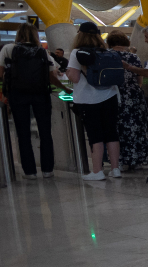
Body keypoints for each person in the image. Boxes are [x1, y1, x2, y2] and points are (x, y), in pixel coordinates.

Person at [0, 23, 68, 178]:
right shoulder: (42, 52)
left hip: (18, 94)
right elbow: (52, 76)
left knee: (22, 133)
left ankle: (30, 171)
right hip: (41, 94)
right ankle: (47, 170)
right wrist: (65, 89)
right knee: (45, 132)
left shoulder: (8, 49)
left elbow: (0, 72)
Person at [65, 22, 123, 181]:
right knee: (111, 132)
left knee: (95, 134)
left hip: (88, 100)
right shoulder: (106, 51)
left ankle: (97, 171)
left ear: (79, 35)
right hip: (110, 96)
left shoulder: (77, 52)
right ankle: (115, 169)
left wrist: (67, 72)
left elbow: (75, 78)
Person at [105, 31, 148, 170]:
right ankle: (138, 159)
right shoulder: (133, 57)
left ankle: (120, 161)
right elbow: (139, 79)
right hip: (133, 95)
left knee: (117, 127)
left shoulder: (106, 56)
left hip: (112, 95)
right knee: (137, 126)